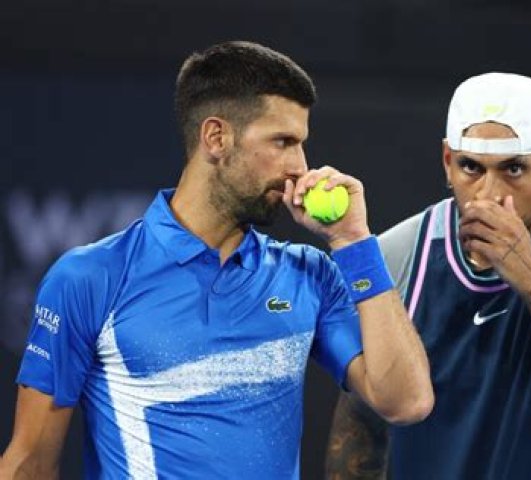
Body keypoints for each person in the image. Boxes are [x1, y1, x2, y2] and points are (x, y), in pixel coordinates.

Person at [0, 41, 433, 479]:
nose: (300, 167)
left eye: (301, 144)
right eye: (283, 142)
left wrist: (354, 240)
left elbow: (406, 402)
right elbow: (29, 463)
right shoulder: (90, 277)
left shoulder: (310, 275)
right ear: (216, 138)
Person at [326, 72, 531, 479]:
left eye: (514, 169)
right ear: (448, 162)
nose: (488, 194)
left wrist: (530, 278)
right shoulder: (396, 255)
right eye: (471, 167)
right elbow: (361, 435)